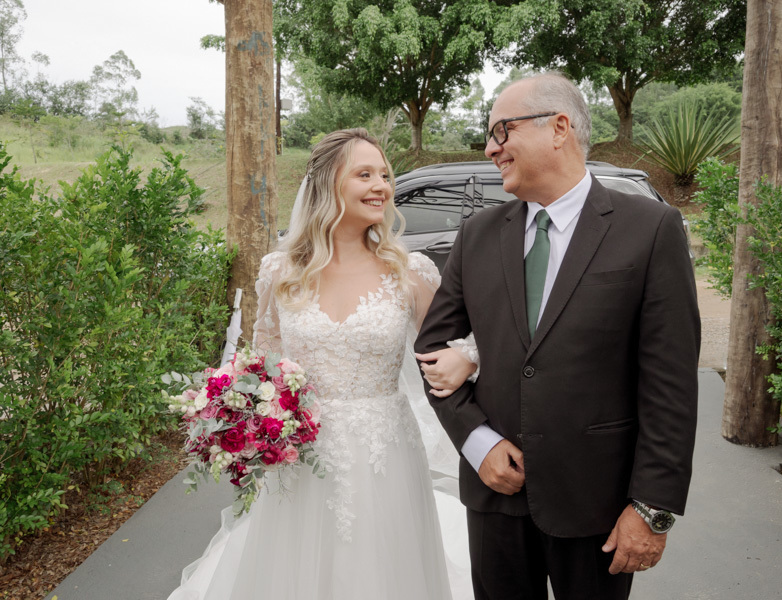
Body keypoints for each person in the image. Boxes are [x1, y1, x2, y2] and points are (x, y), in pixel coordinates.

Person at [415, 72, 701, 599]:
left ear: (559, 128)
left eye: (502, 131)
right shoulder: (478, 233)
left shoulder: (651, 228)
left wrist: (652, 510)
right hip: (495, 499)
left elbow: (671, 384)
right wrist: (478, 443)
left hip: (599, 504)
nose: (490, 148)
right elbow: (432, 349)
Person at [168, 128, 478, 600]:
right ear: (328, 185)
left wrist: (468, 357)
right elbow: (259, 363)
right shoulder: (280, 272)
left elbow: (461, 344)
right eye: (364, 174)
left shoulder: (408, 272)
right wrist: (246, 419)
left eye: (385, 175)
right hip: (301, 458)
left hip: (384, 452)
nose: (381, 186)